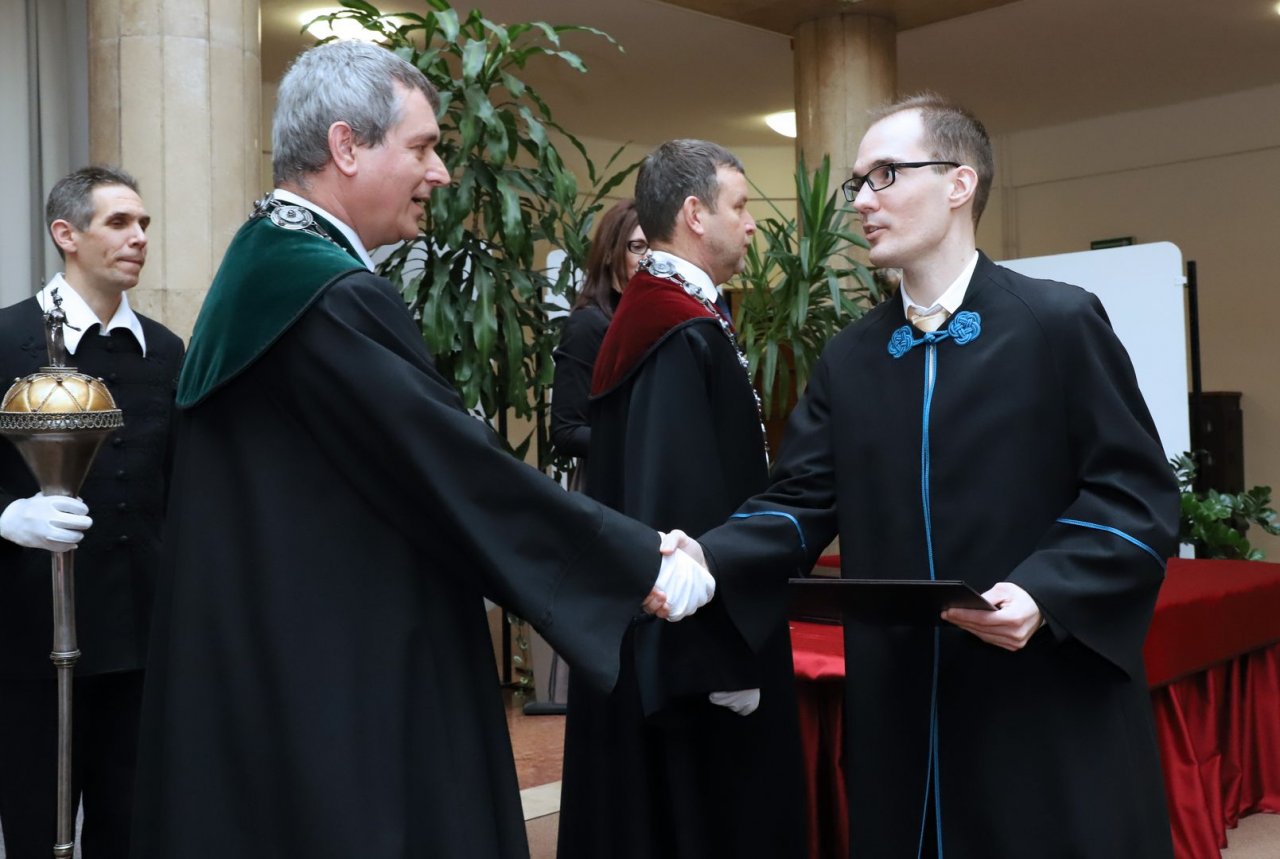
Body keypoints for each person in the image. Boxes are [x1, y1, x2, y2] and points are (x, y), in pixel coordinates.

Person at [128, 41, 712, 859]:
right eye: (423, 147)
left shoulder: (266, 266)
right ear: (346, 145)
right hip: (344, 683)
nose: (439, 173)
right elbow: (452, 466)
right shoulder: (324, 292)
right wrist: (637, 559)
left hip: (277, 666)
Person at [672, 95, 1179, 858]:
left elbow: (1135, 495)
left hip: (1039, 698)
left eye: (886, 174)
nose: (861, 201)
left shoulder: (1058, 323)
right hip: (901, 705)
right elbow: (798, 501)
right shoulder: (851, 358)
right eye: (858, 182)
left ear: (958, 183)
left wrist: (1043, 592)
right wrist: (706, 556)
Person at [557, 140, 805, 859]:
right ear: (695, 214)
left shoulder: (664, 314)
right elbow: (679, 507)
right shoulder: (674, 326)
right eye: (740, 205)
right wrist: (722, 663)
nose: (752, 223)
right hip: (698, 665)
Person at [0, 166, 184, 858]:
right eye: (119, 222)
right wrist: (6, 517)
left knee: (131, 829)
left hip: (141, 640)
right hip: (28, 637)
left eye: (143, 224)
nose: (139, 238)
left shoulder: (164, 350)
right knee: (35, 827)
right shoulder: (6, 338)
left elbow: (178, 488)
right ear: (66, 234)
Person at [549, 198, 645, 478]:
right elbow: (566, 431)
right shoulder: (588, 324)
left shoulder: (656, 319)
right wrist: (646, 445)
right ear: (609, 253)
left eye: (657, 247)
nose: (650, 257)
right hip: (612, 485)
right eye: (638, 246)